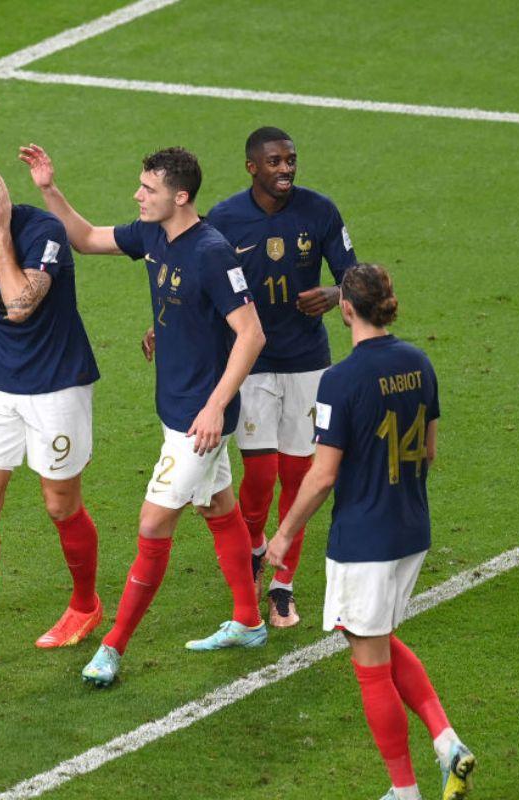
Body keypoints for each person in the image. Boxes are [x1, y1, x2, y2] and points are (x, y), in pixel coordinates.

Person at [18, 143, 267, 687]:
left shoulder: (212, 251)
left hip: (199, 418)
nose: (137, 194)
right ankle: (249, 620)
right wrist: (48, 189)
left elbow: (251, 333)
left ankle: (112, 646)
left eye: (147, 188)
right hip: (177, 407)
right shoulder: (153, 234)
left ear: (180, 196)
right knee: (218, 506)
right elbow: (84, 239)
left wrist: (214, 407)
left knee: (153, 523)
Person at [265, 264, 474, 800]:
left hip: (365, 539)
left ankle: (404, 791)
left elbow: (322, 474)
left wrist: (284, 535)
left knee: (369, 663)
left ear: (345, 309)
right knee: (370, 635)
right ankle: (446, 742)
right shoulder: (420, 363)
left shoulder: (339, 379)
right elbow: (428, 451)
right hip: (411, 528)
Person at [0, 154, 103, 675]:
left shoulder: (40, 230)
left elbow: (18, 302)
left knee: (59, 503)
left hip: (56, 386)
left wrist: (3, 230)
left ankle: (85, 605)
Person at [205, 126, 357, 627]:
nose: (286, 168)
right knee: (260, 475)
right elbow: (203, 282)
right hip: (250, 364)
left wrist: (335, 295)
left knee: (298, 476)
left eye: (290, 160)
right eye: (274, 162)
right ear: (253, 167)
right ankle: (254, 543)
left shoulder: (321, 211)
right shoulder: (225, 218)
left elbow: (353, 275)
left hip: (309, 362)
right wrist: (161, 329)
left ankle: (282, 584)